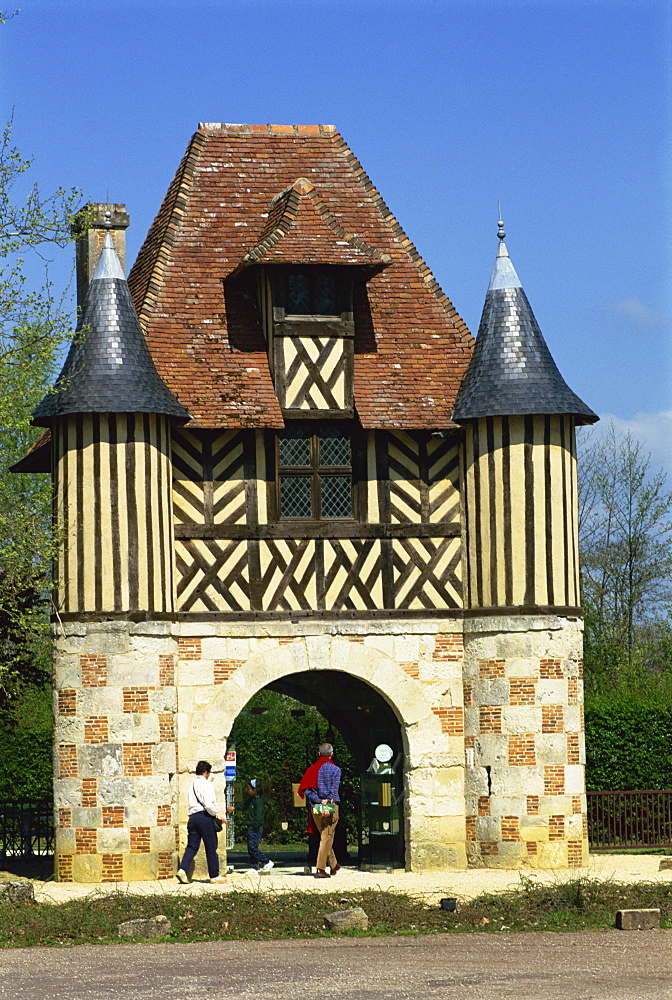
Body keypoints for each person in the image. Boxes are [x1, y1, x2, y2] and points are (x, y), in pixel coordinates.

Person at [177, 760, 229, 884]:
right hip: (205, 817)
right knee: (211, 846)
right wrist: (216, 815)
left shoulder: (192, 786)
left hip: (193, 817)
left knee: (192, 846)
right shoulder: (207, 785)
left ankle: (183, 869)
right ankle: (214, 875)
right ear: (206, 772)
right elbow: (208, 804)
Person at [298, 743, 341, 878]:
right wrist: (328, 805)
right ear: (331, 754)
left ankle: (333, 864)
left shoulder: (312, 769)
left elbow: (306, 790)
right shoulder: (335, 770)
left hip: (316, 806)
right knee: (326, 836)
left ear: (319, 754)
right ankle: (321, 869)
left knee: (325, 836)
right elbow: (334, 791)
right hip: (329, 806)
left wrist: (319, 801)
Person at [241, 779, 274, 874]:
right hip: (251, 826)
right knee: (250, 848)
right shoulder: (252, 800)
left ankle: (267, 862)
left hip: (255, 827)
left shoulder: (259, 802)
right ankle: (255, 867)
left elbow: (259, 816)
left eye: (249, 789)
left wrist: (254, 825)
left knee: (253, 848)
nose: (248, 791)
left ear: (254, 790)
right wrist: (234, 807)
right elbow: (244, 805)